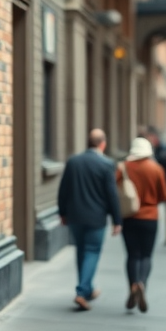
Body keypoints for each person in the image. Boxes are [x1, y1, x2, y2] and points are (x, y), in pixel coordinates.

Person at [58, 128, 123, 311]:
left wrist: (62, 213)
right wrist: (117, 220)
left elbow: (63, 189)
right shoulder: (106, 164)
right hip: (96, 217)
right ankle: (81, 291)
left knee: (81, 251)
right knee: (92, 251)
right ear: (103, 144)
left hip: (75, 216)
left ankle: (87, 289)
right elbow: (112, 194)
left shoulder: (73, 162)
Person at [117, 137, 166, 313]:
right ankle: (142, 283)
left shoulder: (123, 167)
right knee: (146, 255)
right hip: (150, 217)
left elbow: (115, 190)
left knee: (132, 254)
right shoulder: (156, 168)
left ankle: (133, 285)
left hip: (129, 216)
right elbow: (164, 195)